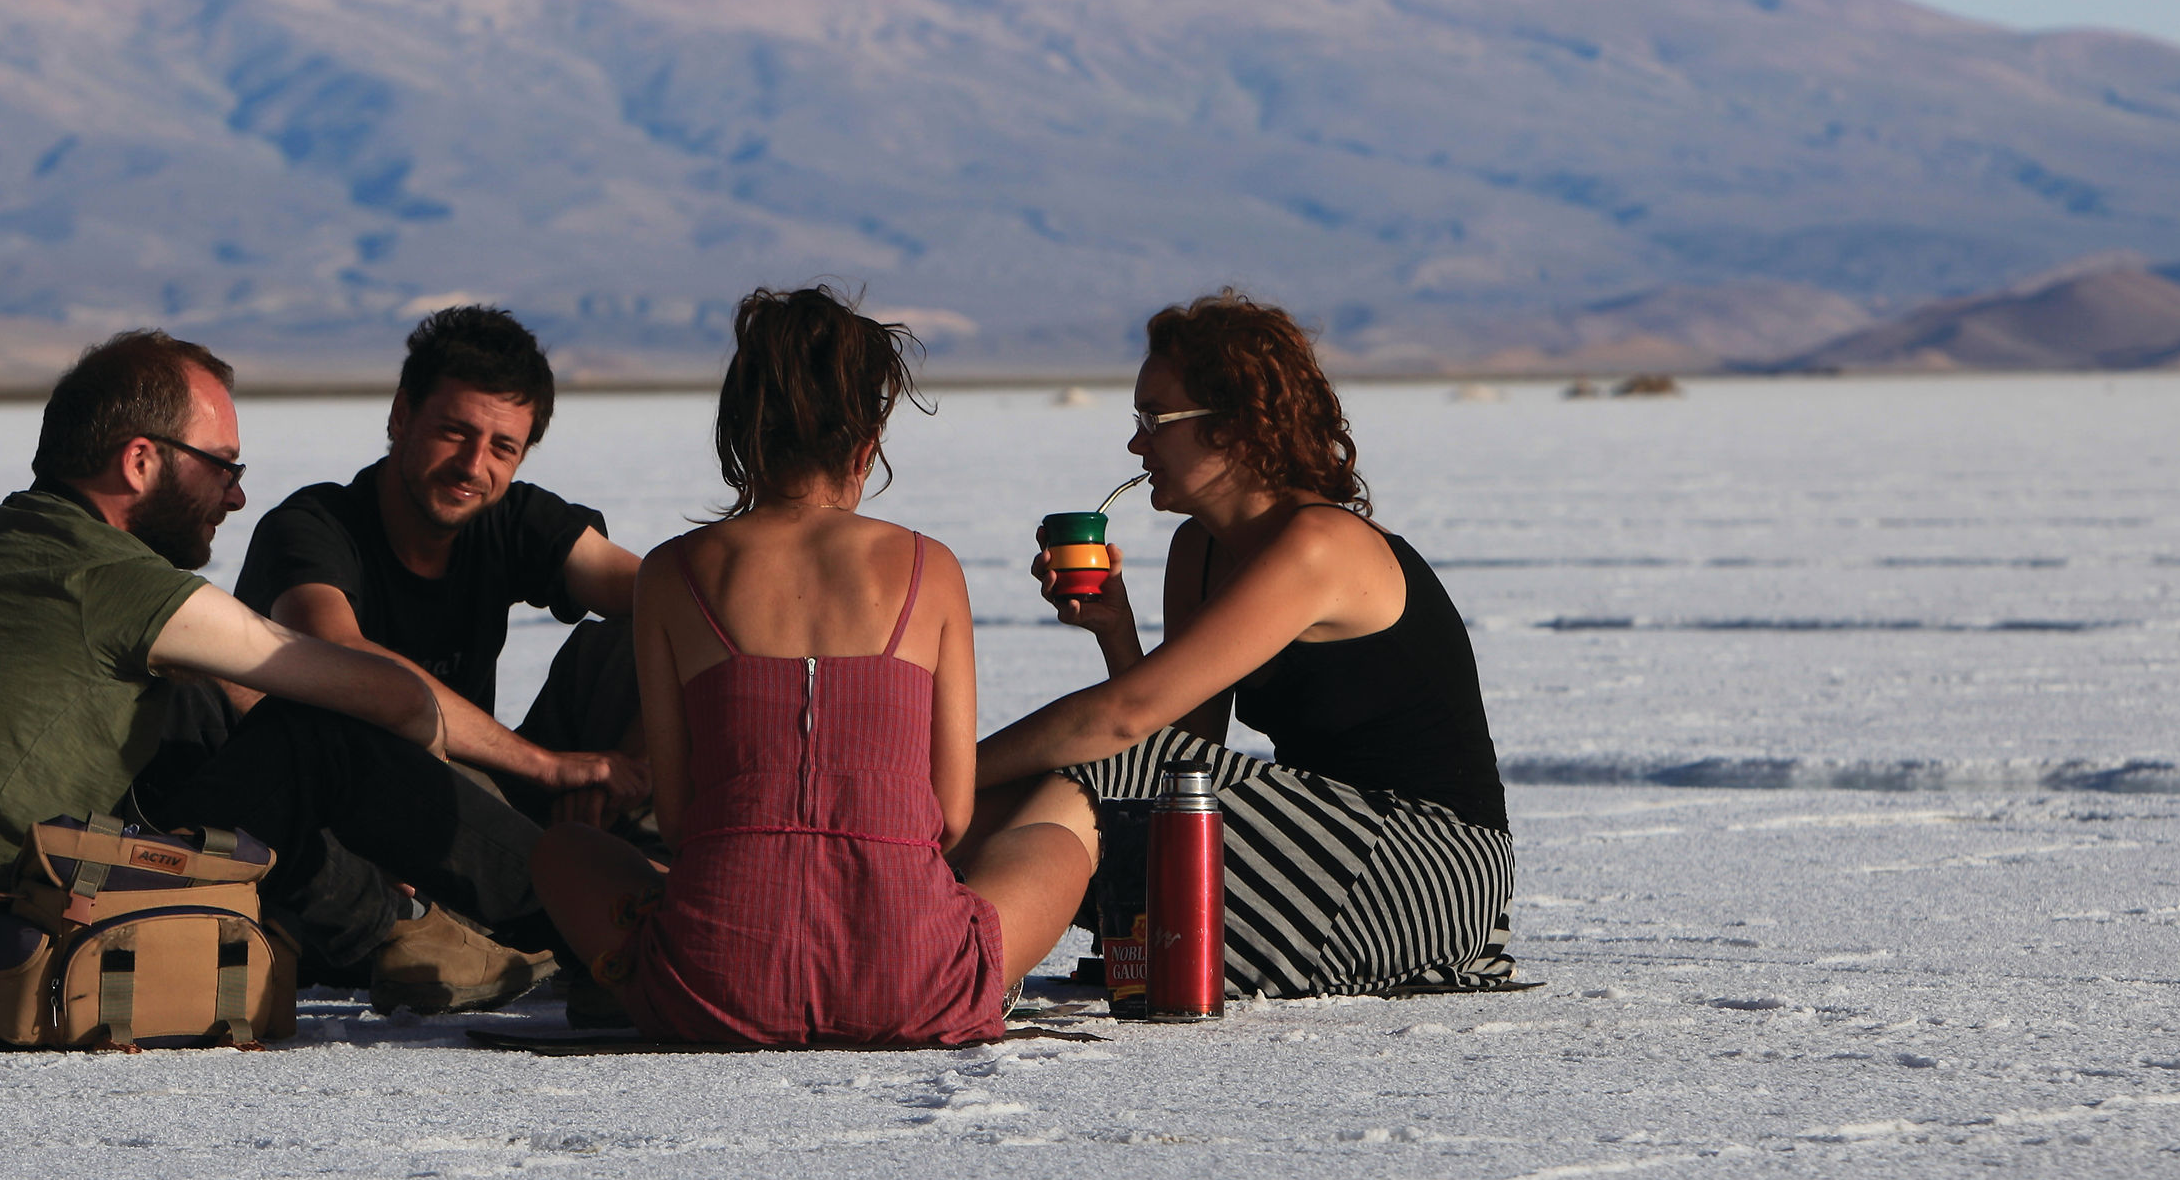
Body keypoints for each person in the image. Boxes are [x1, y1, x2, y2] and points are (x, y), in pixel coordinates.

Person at [0, 329, 554, 1043]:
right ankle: (583, 919)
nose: (235, 498)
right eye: (221, 467)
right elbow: (392, 696)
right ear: (141, 461)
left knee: (202, 705)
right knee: (318, 743)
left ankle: (410, 936)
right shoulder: (103, 576)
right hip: (20, 984)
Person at [530, 286, 1090, 1047]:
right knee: (1060, 839)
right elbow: (952, 817)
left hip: (714, 986)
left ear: (741, 428)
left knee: (562, 851)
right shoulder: (931, 568)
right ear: (868, 439)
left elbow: (684, 810)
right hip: (913, 982)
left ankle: (635, 968)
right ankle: (978, 978)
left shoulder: (671, 573)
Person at [969, 291, 1517, 999]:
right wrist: (1118, 632)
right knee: (991, 814)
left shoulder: (1320, 546)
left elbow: (1123, 724)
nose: (1137, 445)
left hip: (1426, 865)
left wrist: (936, 779)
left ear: (1235, 426)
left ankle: (954, 981)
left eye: (1155, 420)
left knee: (1054, 785)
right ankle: (901, 961)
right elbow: (1179, 754)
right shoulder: (1198, 550)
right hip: (1313, 841)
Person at [235, 305, 651, 828]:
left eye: (503, 447)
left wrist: (635, 766)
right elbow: (340, 657)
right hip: (333, 802)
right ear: (401, 416)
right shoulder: (311, 527)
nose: (473, 466)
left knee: (624, 643)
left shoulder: (514, 518)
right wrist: (544, 766)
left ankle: (620, 833)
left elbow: (671, 601)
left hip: (475, 788)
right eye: (455, 432)